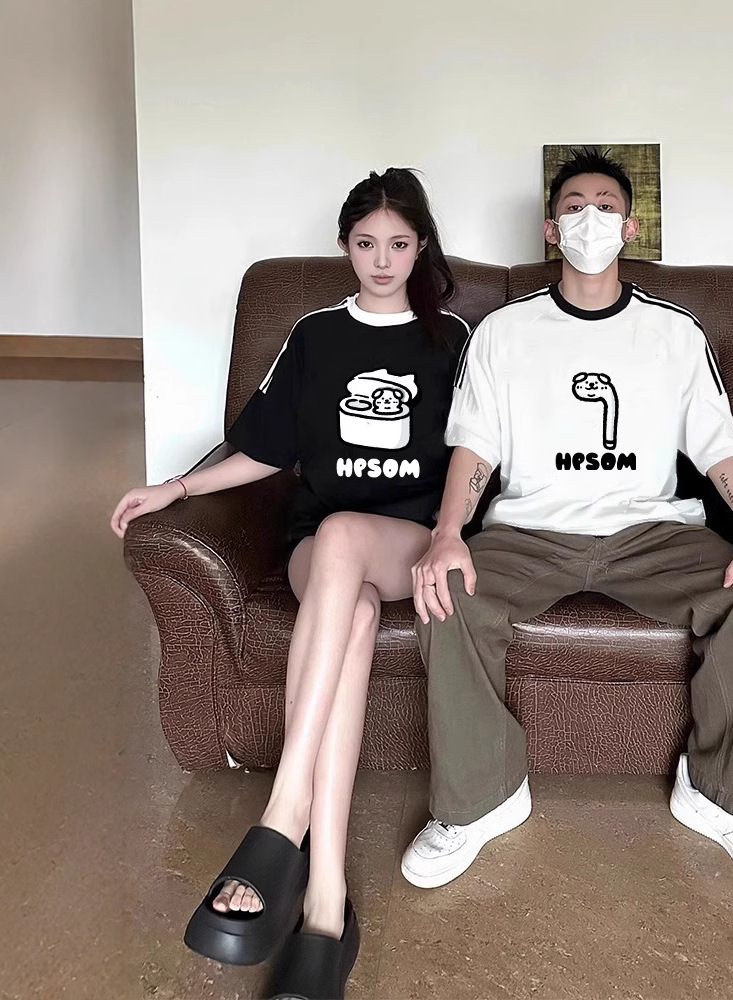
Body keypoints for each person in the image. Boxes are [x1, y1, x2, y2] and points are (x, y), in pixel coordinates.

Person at [401, 148, 733, 897]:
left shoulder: (675, 332)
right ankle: (482, 799)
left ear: (629, 228)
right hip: (529, 533)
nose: (589, 218)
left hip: (653, 533)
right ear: (550, 229)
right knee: (446, 595)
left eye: (605, 206)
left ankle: (725, 800)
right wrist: (448, 533)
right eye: (573, 207)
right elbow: (476, 447)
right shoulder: (503, 331)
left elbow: (719, 445)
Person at [111, 168, 469, 999]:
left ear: (421, 248)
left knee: (347, 537)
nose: (382, 261)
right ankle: (326, 902)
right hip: (323, 552)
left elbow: (476, 453)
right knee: (347, 606)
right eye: (366, 244)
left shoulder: (449, 338)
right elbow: (267, 449)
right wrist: (178, 487)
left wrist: (457, 535)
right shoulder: (315, 334)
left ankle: (284, 818)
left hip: (408, 541)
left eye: (399, 245)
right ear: (345, 245)